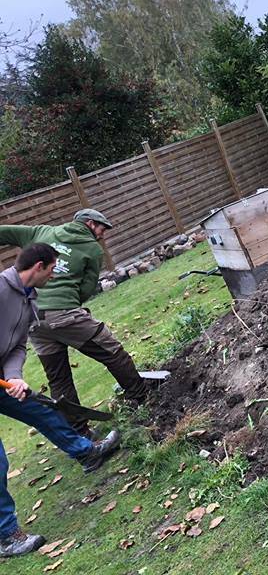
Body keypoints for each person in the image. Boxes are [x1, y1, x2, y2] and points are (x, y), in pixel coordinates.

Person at [0, 243, 121, 557]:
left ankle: (86, 453)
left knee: (43, 410)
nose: (53, 276)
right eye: (52, 270)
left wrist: (13, 376)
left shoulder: (29, 299)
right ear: (38, 266)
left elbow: (18, 345)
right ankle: (6, 537)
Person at [0, 209, 149, 436]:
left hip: (34, 321)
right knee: (112, 352)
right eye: (101, 229)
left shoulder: (40, 232)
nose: (102, 235)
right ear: (89, 223)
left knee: (58, 377)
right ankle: (142, 398)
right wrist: (66, 303)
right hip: (64, 314)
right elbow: (87, 288)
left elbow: (3, 233)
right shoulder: (93, 250)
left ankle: (80, 432)